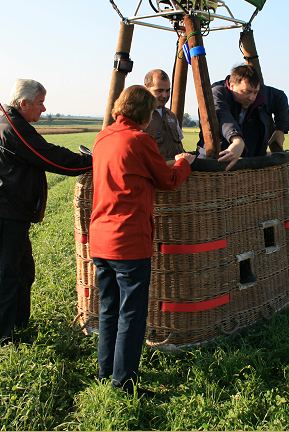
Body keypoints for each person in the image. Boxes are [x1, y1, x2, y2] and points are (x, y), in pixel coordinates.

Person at [90, 85, 195, 396]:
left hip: (100, 238)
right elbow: (168, 180)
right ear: (145, 114)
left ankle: (105, 370)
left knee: (108, 308)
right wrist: (184, 161)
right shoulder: (140, 140)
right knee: (132, 315)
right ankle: (124, 383)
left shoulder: (103, 136)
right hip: (129, 241)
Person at [0, 79, 92, 344]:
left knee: (23, 271)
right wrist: (91, 163)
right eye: (39, 102)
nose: (44, 108)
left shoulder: (10, 122)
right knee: (5, 275)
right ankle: (3, 338)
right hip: (3, 212)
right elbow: (49, 156)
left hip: (8, 211)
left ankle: (18, 325)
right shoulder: (13, 128)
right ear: (23, 103)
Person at [197, 64, 289, 170]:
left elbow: (280, 98)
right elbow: (222, 116)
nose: (252, 98)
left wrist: (280, 130)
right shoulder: (216, 94)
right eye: (246, 92)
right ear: (232, 86)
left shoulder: (262, 93)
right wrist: (237, 140)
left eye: (255, 92)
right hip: (218, 162)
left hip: (251, 163)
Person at [143, 69, 185, 165]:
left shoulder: (172, 116)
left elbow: (179, 146)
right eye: (159, 91)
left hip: (173, 173)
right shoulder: (140, 116)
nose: (165, 95)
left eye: (167, 91)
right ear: (146, 89)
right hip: (152, 173)